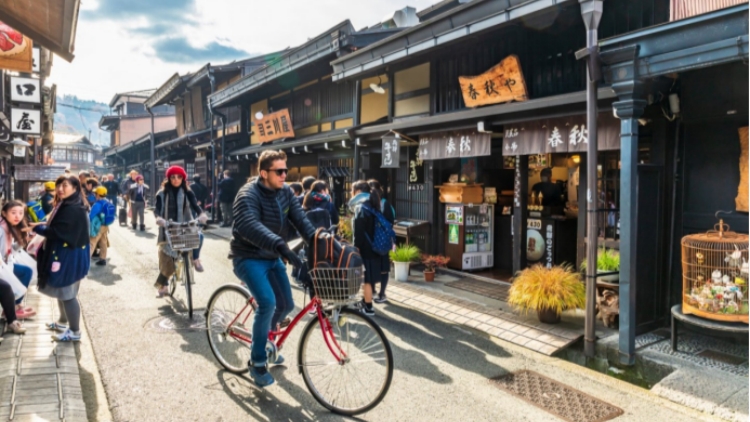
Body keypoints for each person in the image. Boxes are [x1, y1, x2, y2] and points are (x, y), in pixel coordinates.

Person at [231, 150, 315, 387]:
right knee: (267, 303)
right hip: (247, 256)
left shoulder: (286, 191)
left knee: (287, 304)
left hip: (273, 254)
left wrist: (316, 238)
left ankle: (266, 339)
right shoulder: (247, 194)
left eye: (285, 171)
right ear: (264, 173)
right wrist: (281, 245)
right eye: (279, 171)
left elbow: (300, 218)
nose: (284, 175)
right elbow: (249, 225)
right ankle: (257, 363)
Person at [25, 175, 90, 342]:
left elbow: (58, 232)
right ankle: (62, 322)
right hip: (68, 254)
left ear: (75, 188)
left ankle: (75, 332)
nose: (60, 189)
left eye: (65, 185)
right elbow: (57, 227)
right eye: (58, 185)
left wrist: (39, 229)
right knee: (62, 291)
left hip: (69, 257)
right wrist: (41, 226)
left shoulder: (73, 208)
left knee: (68, 294)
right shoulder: (68, 204)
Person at [153, 166, 209, 296]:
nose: (176, 179)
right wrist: (159, 218)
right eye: (173, 177)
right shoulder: (161, 193)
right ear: (169, 178)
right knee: (167, 259)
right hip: (168, 228)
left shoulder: (188, 192)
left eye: (179, 177)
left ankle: (195, 259)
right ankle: (164, 285)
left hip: (185, 225)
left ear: (183, 178)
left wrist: (201, 214)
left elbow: (196, 205)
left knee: (199, 236)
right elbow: (157, 209)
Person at [349, 180, 392, 316]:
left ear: (357, 191)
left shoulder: (360, 207)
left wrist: (356, 248)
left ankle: (368, 307)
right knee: (368, 276)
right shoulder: (374, 203)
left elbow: (358, 231)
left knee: (366, 279)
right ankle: (365, 301)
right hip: (375, 245)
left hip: (365, 247)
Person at [0, 201, 36, 319]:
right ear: (4, 213)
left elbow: (11, 250)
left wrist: (25, 241)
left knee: (27, 271)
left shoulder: (9, 227)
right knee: (26, 272)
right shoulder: (2, 229)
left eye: (21, 213)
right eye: (13, 213)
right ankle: (12, 308)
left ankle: (14, 306)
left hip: (6, 265)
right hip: (2, 267)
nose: (18, 216)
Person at [367, 179, 395, 304]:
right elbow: (390, 223)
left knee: (371, 267)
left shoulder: (367, 204)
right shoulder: (385, 204)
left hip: (371, 241)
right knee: (384, 268)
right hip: (382, 241)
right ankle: (382, 293)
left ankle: (373, 291)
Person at [89, 186, 111, 266]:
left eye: (95, 193)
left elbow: (91, 216)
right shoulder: (107, 201)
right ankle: (103, 259)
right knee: (103, 242)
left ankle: (84, 261)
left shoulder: (97, 204)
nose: (95, 195)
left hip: (98, 226)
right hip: (106, 225)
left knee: (92, 242)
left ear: (98, 194)